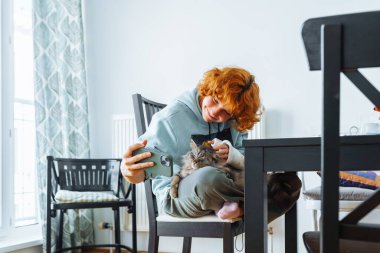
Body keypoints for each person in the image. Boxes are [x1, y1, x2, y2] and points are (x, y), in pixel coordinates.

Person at [121, 67, 301, 221]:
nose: (216, 112)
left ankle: (240, 209)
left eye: (226, 112)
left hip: (224, 187)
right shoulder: (170, 118)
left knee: (290, 184)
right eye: (215, 101)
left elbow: (247, 163)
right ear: (209, 90)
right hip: (181, 194)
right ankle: (246, 206)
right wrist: (128, 172)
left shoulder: (235, 121)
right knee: (208, 177)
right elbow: (143, 170)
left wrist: (232, 154)